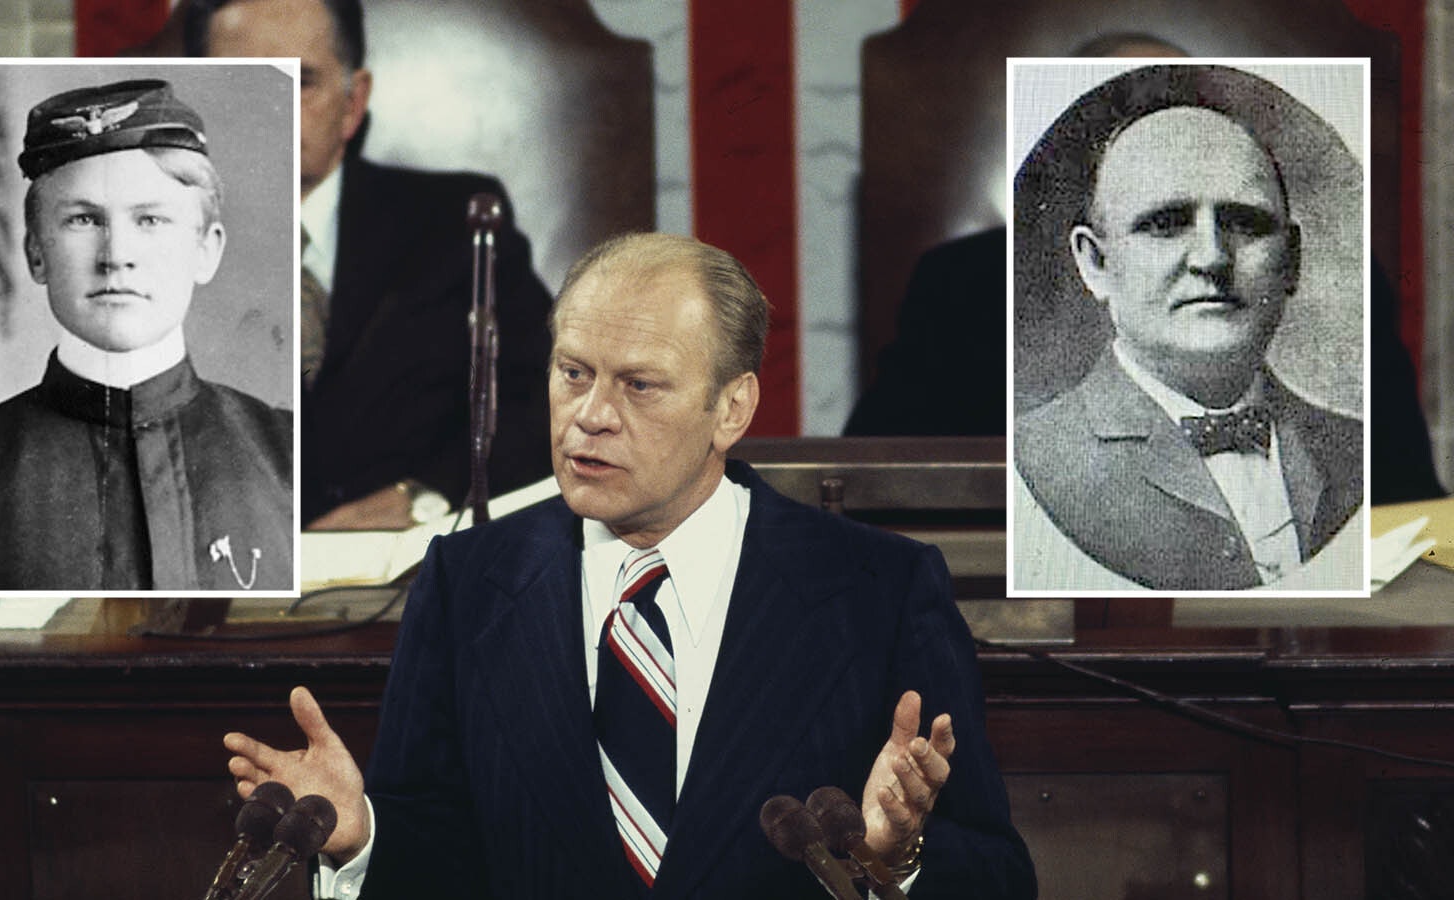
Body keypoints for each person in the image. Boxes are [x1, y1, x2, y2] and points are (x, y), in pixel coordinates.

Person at [222, 233, 1035, 898]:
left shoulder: (878, 590)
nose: (591, 416)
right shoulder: (468, 581)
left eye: (640, 386)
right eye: (573, 374)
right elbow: (442, 864)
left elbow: (1000, 882)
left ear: (732, 408)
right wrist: (364, 838)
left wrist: (900, 854)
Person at [183, 0, 556, 530]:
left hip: (420, 577)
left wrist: (424, 497)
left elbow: (549, 400)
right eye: (242, 82)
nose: (271, 108)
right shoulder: (148, 243)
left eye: (301, 82)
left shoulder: (459, 223)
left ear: (352, 102)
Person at [1013, 65, 1364, 591]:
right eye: (1165, 223)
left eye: (1246, 222)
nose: (1212, 257)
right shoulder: (1030, 461)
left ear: (1291, 261)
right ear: (1096, 264)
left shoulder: (1359, 454)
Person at [0, 77, 293, 592]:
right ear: (36, 254)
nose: (116, 255)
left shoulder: (289, 452)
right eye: (84, 219)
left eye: (150, 219)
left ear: (206, 250)